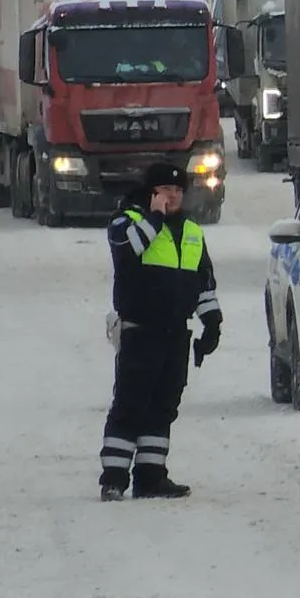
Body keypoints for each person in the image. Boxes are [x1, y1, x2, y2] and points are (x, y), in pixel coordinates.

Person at [99, 162, 221, 501]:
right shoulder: (127, 222)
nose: (173, 197)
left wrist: (212, 322)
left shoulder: (192, 231)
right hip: (140, 331)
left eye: (178, 191)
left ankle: (151, 477)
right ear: (151, 193)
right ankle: (114, 479)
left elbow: (204, 283)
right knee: (130, 404)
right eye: (166, 191)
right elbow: (128, 251)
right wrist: (154, 217)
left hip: (175, 334)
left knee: (164, 406)